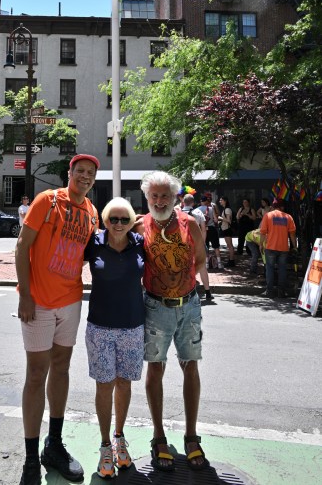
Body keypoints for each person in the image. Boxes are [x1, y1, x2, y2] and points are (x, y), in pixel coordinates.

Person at [15, 154, 100, 485]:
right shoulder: (47, 201)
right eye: (80, 171)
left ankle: (54, 445)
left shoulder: (91, 212)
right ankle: (29, 459)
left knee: (62, 369)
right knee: (36, 374)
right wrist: (24, 294)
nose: (84, 176)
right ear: (70, 173)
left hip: (70, 301)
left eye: (90, 173)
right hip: (37, 303)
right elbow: (23, 246)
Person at [134, 171, 208, 472]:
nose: (160, 200)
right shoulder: (139, 226)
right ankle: (159, 436)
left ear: (176, 197)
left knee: (190, 365)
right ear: (147, 197)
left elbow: (200, 259)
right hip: (155, 306)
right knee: (155, 368)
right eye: (155, 196)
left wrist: (196, 285)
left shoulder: (190, 224)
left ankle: (191, 436)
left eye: (165, 195)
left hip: (188, 305)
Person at [84, 197, 145, 478]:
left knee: (124, 383)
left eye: (124, 219)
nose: (118, 224)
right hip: (100, 327)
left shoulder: (140, 243)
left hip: (132, 326)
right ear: (105, 221)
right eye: (113, 219)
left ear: (131, 221)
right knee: (104, 385)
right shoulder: (93, 243)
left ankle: (120, 438)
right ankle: (105, 445)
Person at [260, 198, 297, 298]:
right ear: (282, 207)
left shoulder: (268, 215)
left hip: (270, 247)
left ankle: (269, 292)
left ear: (273, 206)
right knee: (282, 269)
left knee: (270, 268)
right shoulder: (288, 217)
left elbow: (262, 232)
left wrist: (260, 244)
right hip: (284, 248)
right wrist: (295, 247)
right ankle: (281, 292)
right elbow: (292, 234)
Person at [182, 194, 213, 301]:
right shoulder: (198, 212)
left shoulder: (177, 214)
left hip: (183, 245)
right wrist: (202, 244)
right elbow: (204, 230)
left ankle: (186, 291)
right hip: (197, 244)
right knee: (202, 267)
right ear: (193, 203)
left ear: (183, 202)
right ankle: (208, 292)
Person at [197, 194, 222, 270]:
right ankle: (219, 263)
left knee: (205, 246)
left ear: (201, 201)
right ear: (206, 201)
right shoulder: (211, 209)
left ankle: (207, 264)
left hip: (203, 230)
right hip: (212, 229)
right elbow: (216, 220)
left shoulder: (197, 210)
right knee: (216, 246)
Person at [218, 196, 236, 267]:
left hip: (227, 229)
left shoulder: (227, 209)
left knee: (230, 246)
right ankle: (231, 260)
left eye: (221, 200)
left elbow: (229, 221)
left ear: (225, 201)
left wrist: (221, 218)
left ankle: (231, 261)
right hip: (225, 229)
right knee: (229, 245)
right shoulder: (225, 209)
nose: (220, 201)